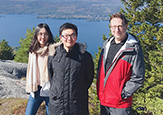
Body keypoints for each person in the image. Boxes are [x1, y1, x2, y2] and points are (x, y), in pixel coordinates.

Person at [96, 12, 145, 115]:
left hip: (120, 104)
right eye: (113, 26)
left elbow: (138, 77)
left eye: (120, 26)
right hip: (104, 100)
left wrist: (123, 94)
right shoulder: (107, 45)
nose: (116, 30)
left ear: (126, 26)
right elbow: (101, 70)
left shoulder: (133, 49)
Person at [48, 22, 94, 115]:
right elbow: (51, 76)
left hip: (77, 106)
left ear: (76, 36)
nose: (69, 39)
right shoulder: (54, 55)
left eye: (72, 35)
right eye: (66, 36)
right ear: (61, 37)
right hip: (57, 106)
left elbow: (89, 78)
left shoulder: (85, 57)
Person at [25, 23, 60, 115]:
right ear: (36, 35)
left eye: (45, 34)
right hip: (36, 89)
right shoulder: (33, 51)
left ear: (49, 35)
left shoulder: (54, 50)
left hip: (50, 90)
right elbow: (30, 70)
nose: (43, 37)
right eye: (40, 34)